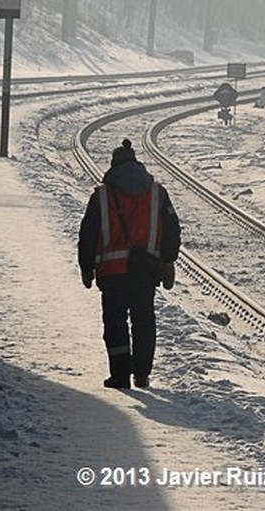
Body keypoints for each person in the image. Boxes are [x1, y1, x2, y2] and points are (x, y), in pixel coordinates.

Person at [78, 139, 181, 389]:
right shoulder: (157, 192)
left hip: (111, 273)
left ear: (113, 166)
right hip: (145, 271)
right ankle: (142, 374)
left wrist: (86, 268)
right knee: (144, 321)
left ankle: (120, 376)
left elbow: (88, 235)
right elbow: (172, 230)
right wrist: (167, 260)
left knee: (115, 323)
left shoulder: (102, 195)